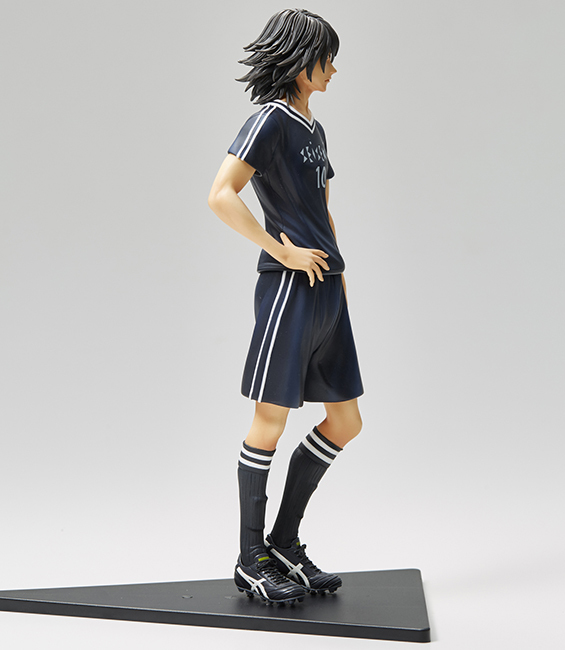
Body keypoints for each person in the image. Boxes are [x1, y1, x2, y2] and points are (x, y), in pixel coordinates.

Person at [208, 8, 363, 605]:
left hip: (327, 288)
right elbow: (221, 194)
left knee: (345, 422)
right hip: (290, 291)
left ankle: (283, 544)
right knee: (270, 420)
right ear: (302, 62)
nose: (334, 70)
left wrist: (339, 272)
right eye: (327, 59)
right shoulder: (269, 121)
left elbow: (323, 209)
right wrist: (281, 251)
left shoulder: (314, 130)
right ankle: (250, 558)